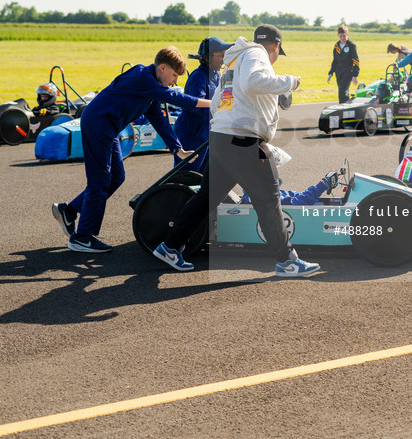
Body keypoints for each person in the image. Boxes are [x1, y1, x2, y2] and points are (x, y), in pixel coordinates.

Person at [51, 47, 207, 252]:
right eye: (174, 75)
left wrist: (177, 149)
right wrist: (212, 104)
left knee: (116, 177)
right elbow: (177, 98)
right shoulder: (144, 78)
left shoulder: (150, 89)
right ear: (162, 67)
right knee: (100, 180)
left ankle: (69, 211)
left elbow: (159, 120)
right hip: (98, 124)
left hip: (109, 127)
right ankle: (82, 237)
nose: (175, 81)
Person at [190, 25, 317, 277]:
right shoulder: (257, 54)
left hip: (221, 138)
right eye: (278, 53)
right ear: (276, 47)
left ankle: (169, 245)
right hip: (244, 142)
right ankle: (286, 260)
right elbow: (254, 82)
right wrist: (290, 82)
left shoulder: (235, 60)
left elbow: (217, 103)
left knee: (207, 198)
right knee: (269, 197)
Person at [152, 160, 341, 272]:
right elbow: (302, 202)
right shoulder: (261, 192)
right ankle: (286, 260)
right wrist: (323, 184)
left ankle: (172, 245)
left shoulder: (268, 190)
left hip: (226, 143)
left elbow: (298, 197)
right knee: (208, 196)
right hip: (239, 147)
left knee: (207, 194)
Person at [173, 37, 232, 173]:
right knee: (186, 174)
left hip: (207, 133)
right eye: (220, 55)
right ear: (207, 57)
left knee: (204, 175)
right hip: (192, 133)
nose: (224, 59)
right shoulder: (198, 77)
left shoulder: (217, 75)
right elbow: (195, 104)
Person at [328, 24, 360, 104]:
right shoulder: (336, 46)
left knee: (342, 91)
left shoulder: (351, 45)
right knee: (342, 92)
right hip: (339, 72)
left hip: (348, 71)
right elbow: (335, 60)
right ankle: (346, 107)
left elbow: (356, 61)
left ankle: (343, 108)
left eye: (344, 36)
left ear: (347, 35)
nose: (342, 38)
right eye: (340, 36)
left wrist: (355, 75)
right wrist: (331, 73)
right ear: (338, 36)